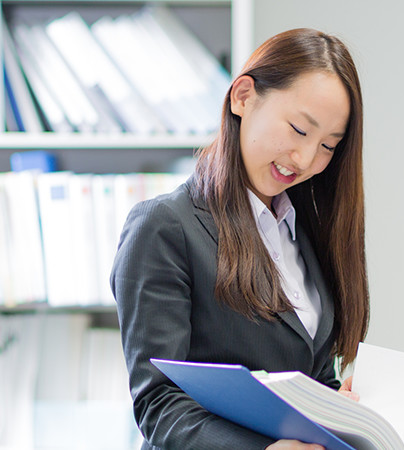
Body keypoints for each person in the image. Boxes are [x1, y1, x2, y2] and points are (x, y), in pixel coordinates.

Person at [111, 28, 368, 449]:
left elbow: (305, 373)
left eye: (327, 146)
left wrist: (336, 406)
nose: (305, 160)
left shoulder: (303, 232)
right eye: (300, 131)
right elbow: (158, 404)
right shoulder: (164, 227)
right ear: (243, 97)